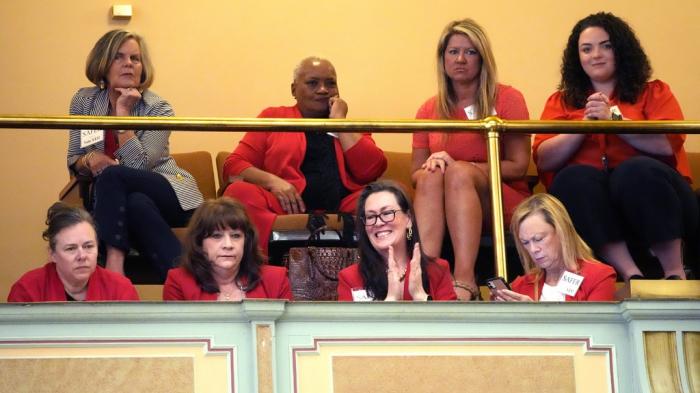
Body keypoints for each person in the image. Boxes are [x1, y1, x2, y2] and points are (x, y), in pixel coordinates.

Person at [534, 12, 697, 282]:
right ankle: (630, 274)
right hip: (595, 207)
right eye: (586, 49)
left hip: (662, 199)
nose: (595, 54)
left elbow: (668, 142)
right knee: (574, 178)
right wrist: (584, 126)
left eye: (606, 46)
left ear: (621, 50)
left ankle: (675, 273)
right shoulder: (560, 101)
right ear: (578, 57)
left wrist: (614, 119)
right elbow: (543, 159)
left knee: (635, 170)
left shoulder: (654, 91)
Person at [67, 29, 203, 280]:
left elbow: (138, 167)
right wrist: (89, 159)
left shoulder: (158, 108)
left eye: (135, 59)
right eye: (119, 57)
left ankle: (114, 266)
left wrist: (123, 116)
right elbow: (74, 158)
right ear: (103, 64)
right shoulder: (84, 102)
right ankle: (188, 283)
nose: (128, 64)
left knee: (114, 175)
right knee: (136, 204)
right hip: (123, 201)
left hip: (169, 191)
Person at [412, 19, 531, 300]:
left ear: (483, 58)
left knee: (459, 174)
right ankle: (425, 275)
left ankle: (465, 278)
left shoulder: (507, 98)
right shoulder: (429, 108)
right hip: (442, 199)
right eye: (453, 52)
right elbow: (414, 173)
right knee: (430, 175)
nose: (461, 60)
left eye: (470, 52)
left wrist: (461, 166)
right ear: (442, 60)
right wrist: (434, 164)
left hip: (500, 199)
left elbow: (518, 166)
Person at [223, 56, 387, 254]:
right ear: (294, 90)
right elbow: (233, 165)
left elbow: (370, 171)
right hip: (285, 206)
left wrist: (340, 123)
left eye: (330, 83)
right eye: (312, 83)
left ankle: (383, 273)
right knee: (239, 192)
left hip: (343, 205)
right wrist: (274, 182)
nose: (323, 89)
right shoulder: (274, 117)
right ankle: (265, 269)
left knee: (389, 197)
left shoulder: (350, 126)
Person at [337, 181, 457, 301]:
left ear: (409, 219)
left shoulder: (437, 270)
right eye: (371, 217)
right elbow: (350, 320)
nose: (378, 223)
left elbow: (450, 319)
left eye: (387, 213)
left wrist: (421, 297)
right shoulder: (349, 278)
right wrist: (391, 300)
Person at [162, 197, 292, 301]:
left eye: (236, 236)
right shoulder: (179, 283)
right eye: (216, 236)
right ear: (199, 242)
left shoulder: (276, 280)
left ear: (246, 242)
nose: (228, 245)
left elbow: (287, 333)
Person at [494, 194, 616, 302]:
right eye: (525, 242)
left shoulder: (599, 276)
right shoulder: (518, 287)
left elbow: (593, 327)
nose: (533, 249)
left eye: (538, 239)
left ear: (562, 232)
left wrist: (533, 314)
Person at [7, 202, 139, 302]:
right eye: (71, 248)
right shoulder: (27, 289)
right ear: (52, 254)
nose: (82, 256)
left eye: (88, 246)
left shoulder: (120, 289)